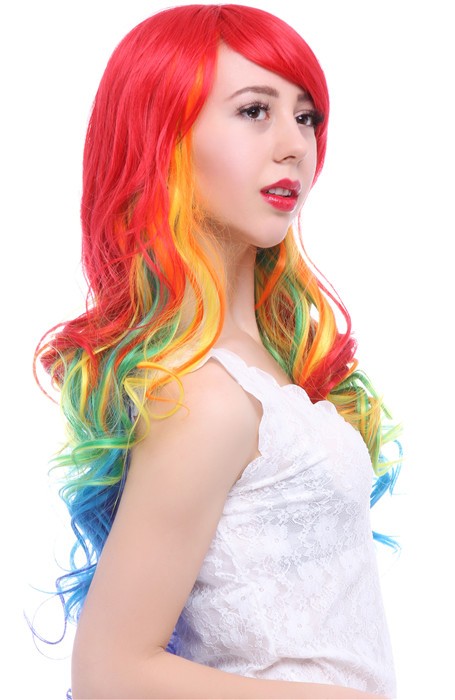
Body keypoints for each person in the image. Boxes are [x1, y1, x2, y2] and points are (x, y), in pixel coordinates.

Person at [34, 4, 401, 698]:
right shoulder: (208, 395)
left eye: (306, 116)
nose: (294, 145)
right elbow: (110, 672)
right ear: (163, 137)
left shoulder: (264, 370)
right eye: (254, 111)